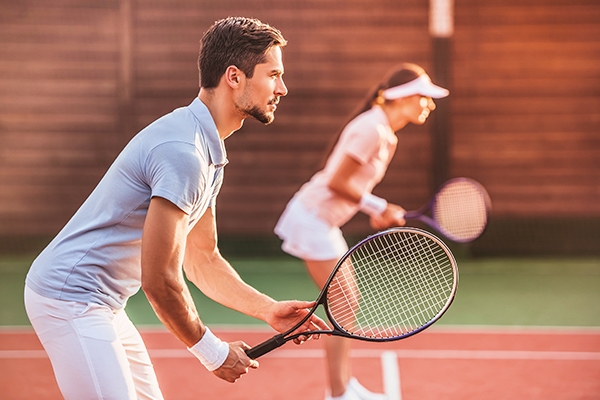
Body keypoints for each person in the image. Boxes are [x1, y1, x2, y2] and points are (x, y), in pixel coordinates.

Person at [24, 16, 328, 400]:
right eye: (274, 75)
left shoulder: (205, 147)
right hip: (70, 298)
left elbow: (202, 258)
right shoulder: (184, 153)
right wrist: (213, 352)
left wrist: (267, 309)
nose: (283, 88)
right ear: (234, 77)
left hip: (103, 302)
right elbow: (160, 280)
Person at [274, 63, 449, 400]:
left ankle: (343, 388)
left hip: (323, 221)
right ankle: (339, 394)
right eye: (423, 97)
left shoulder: (383, 131)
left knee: (345, 305)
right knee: (343, 303)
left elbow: (350, 186)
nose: (429, 104)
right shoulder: (373, 128)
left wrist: (374, 210)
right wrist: (379, 207)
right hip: (311, 219)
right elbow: (337, 181)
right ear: (401, 98)